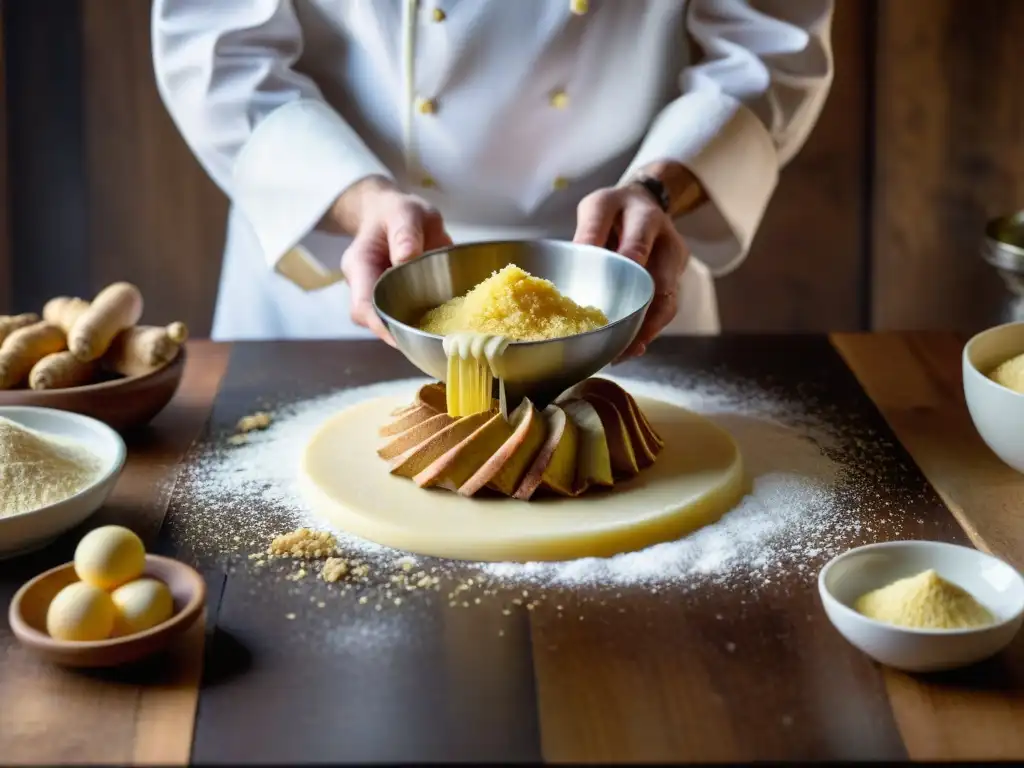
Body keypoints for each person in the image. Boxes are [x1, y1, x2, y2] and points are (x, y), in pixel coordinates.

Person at [153, 0, 833, 355]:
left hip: (613, 272)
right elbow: (218, 50)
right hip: (341, 268)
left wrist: (661, 188)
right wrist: (361, 203)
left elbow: (769, 42)